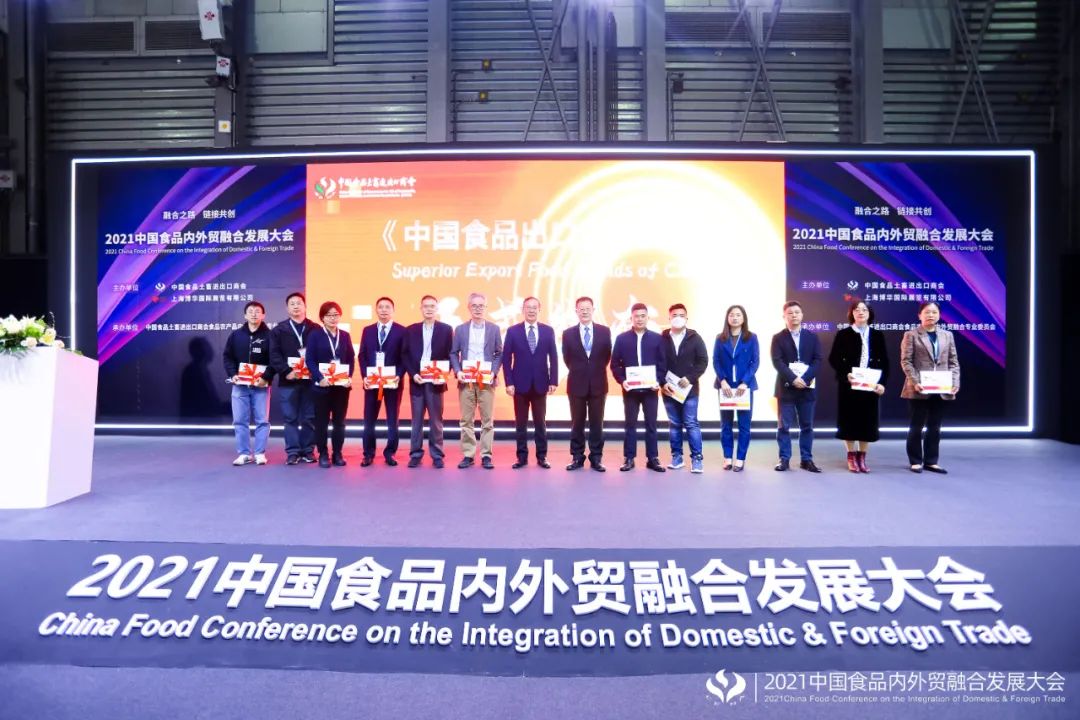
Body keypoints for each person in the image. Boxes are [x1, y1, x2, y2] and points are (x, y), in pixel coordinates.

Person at [828, 299, 889, 473]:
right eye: (857, 309)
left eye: (864, 309)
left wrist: (882, 383)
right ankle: (851, 455)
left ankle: (862, 457)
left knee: (867, 422)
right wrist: (846, 373)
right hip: (850, 384)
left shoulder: (877, 335)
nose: (860, 312)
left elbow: (885, 362)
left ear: (869, 314)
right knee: (849, 421)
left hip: (871, 385)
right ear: (852, 313)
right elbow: (834, 358)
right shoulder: (843, 334)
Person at [900, 301, 960, 474]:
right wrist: (915, 381)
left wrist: (954, 382)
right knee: (916, 426)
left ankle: (931, 461)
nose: (930, 315)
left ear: (939, 315)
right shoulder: (911, 335)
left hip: (941, 388)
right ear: (920, 315)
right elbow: (906, 361)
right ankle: (915, 461)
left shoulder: (947, 335)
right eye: (927, 312)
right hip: (919, 388)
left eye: (934, 312)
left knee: (935, 426)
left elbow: (953, 362)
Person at [502, 297, 559, 469]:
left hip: (541, 384)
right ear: (523, 310)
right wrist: (509, 382)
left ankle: (542, 456)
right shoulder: (513, 331)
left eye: (535, 307)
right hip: (519, 385)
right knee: (521, 424)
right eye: (528, 307)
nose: (531, 310)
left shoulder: (548, 331)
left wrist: (553, 380)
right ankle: (522, 457)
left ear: (539, 310)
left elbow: (553, 357)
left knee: (540, 423)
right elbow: (506, 358)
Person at [611, 302, 668, 473]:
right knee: (630, 424)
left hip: (651, 390)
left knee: (652, 424)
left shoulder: (657, 338)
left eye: (643, 316)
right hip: (630, 390)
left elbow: (663, 363)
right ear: (631, 318)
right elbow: (615, 364)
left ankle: (653, 458)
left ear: (647, 318)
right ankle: (629, 458)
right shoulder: (622, 339)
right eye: (636, 316)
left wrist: (658, 380)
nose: (640, 319)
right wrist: (622, 381)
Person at [450, 292, 503, 469]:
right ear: (469, 308)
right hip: (466, 380)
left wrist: (493, 372)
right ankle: (468, 454)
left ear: (486, 308)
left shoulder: (494, 329)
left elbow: (499, 353)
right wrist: (457, 371)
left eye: (481, 306)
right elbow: (453, 353)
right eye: (474, 305)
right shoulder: (460, 329)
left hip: (487, 380)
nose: (478, 309)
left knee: (487, 420)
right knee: (466, 420)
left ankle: (486, 455)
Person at [771, 301, 823, 473]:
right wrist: (793, 379)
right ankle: (784, 459)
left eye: (797, 312)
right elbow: (777, 361)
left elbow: (817, 360)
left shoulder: (812, 337)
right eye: (790, 313)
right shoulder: (778, 338)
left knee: (807, 426)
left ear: (802, 315)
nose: (794, 315)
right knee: (784, 426)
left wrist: (805, 379)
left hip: (807, 388)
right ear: (784, 316)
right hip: (786, 388)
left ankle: (806, 460)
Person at [402, 294, 453, 469]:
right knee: (416, 420)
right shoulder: (411, 330)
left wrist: (444, 374)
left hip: (436, 382)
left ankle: (437, 454)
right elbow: (405, 354)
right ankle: (415, 454)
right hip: (417, 380)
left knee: (436, 420)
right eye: (426, 306)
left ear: (437, 309)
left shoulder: (446, 330)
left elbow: (451, 354)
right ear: (421, 309)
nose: (429, 309)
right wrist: (412, 374)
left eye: (432, 306)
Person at [268, 292, 319, 465]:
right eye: (292, 303)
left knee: (309, 417)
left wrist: (316, 371)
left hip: (310, 381)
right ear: (287, 308)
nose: (296, 306)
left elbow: (322, 352)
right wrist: (286, 371)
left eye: (299, 303)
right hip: (288, 381)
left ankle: (308, 450)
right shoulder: (278, 330)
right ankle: (293, 452)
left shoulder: (315, 328)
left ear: (305, 306)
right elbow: (274, 354)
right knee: (290, 418)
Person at [562, 296, 612, 472]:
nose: (584, 311)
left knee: (597, 423)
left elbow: (606, 356)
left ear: (593, 310)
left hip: (598, 384)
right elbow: (567, 358)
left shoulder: (605, 331)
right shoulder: (568, 333)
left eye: (587, 308)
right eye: (581, 309)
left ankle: (596, 457)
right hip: (576, 384)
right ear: (576, 311)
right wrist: (581, 370)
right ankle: (577, 456)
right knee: (577, 423)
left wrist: (593, 370)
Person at [223, 300, 274, 466]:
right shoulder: (236, 335)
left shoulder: (270, 336)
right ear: (245, 315)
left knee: (262, 420)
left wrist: (266, 377)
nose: (254, 314)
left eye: (257, 311)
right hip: (240, 385)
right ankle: (244, 453)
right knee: (239, 420)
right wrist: (233, 374)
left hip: (261, 385)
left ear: (263, 315)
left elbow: (275, 360)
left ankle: (259, 453)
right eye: (250, 311)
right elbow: (227, 357)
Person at [660, 303, 709, 473]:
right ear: (669, 318)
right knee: (674, 424)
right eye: (674, 315)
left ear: (687, 318)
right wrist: (662, 383)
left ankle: (697, 458)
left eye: (681, 315)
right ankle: (677, 457)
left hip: (689, 390)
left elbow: (703, 361)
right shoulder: (662, 338)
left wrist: (690, 378)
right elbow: (658, 362)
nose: (678, 318)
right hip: (669, 389)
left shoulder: (695, 338)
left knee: (691, 423)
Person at [305, 301, 354, 468]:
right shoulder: (315, 335)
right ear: (322, 318)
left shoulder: (345, 335)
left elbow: (350, 359)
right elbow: (310, 360)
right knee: (321, 422)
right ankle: (323, 453)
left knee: (339, 422)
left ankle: (337, 453)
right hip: (322, 386)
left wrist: (348, 377)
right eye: (329, 315)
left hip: (341, 387)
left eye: (336, 315)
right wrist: (319, 378)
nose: (333, 318)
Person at [358, 296, 406, 467]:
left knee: (392, 419)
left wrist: (399, 375)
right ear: (376, 310)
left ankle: (390, 452)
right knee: (369, 419)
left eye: (387, 307)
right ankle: (368, 453)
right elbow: (362, 355)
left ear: (393, 310)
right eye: (381, 307)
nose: (384, 310)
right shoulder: (368, 330)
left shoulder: (402, 331)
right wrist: (365, 376)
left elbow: (404, 356)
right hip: (372, 382)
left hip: (393, 382)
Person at [712, 304, 759, 472]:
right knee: (726, 425)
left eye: (738, 315)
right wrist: (722, 381)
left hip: (744, 387)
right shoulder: (720, 338)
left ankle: (740, 459)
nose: (735, 317)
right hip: (725, 387)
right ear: (727, 318)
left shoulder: (751, 337)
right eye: (732, 315)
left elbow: (755, 362)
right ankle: (727, 457)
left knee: (744, 425)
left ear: (743, 318)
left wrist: (745, 382)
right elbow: (716, 361)